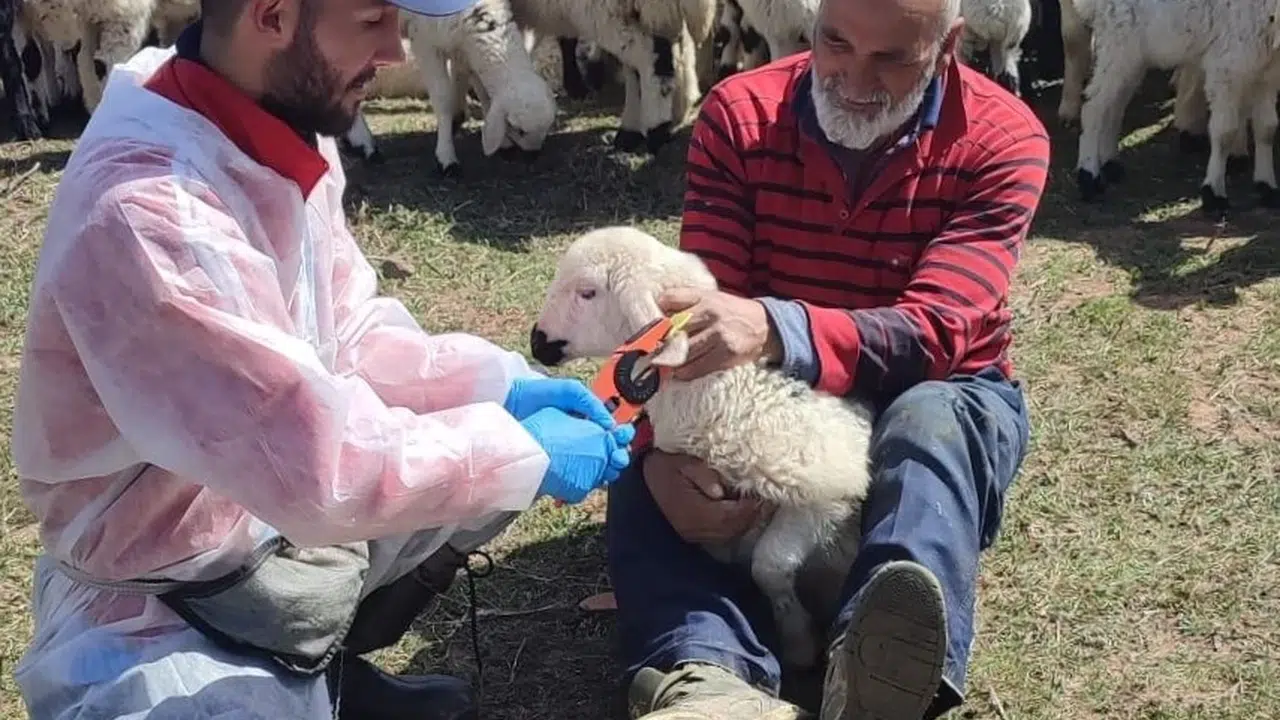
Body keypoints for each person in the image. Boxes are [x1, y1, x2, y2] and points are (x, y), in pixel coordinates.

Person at [9, 1, 636, 718]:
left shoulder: (269, 115)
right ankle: (255, 678)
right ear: (272, 15)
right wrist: (509, 448)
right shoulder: (156, 213)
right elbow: (309, 461)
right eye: (372, 20)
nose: (396, 51)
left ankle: (319, 668)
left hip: (252, 515)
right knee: (481, 465)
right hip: (162, 582)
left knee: (482, 457)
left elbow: (347, 330)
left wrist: (500, 388)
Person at [605, 0, 1051, 717]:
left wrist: (778, 328)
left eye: (890, 58)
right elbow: (693, 311)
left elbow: (934, 332)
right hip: (778, 396)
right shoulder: (740, 113)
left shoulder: (1003, 138)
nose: (850, 77)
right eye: (834, 43)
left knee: (930, 425)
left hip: (937, 382)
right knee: (647, 465)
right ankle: (705, 678)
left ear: (949, 44)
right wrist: (658, 452)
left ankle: (880, 669)